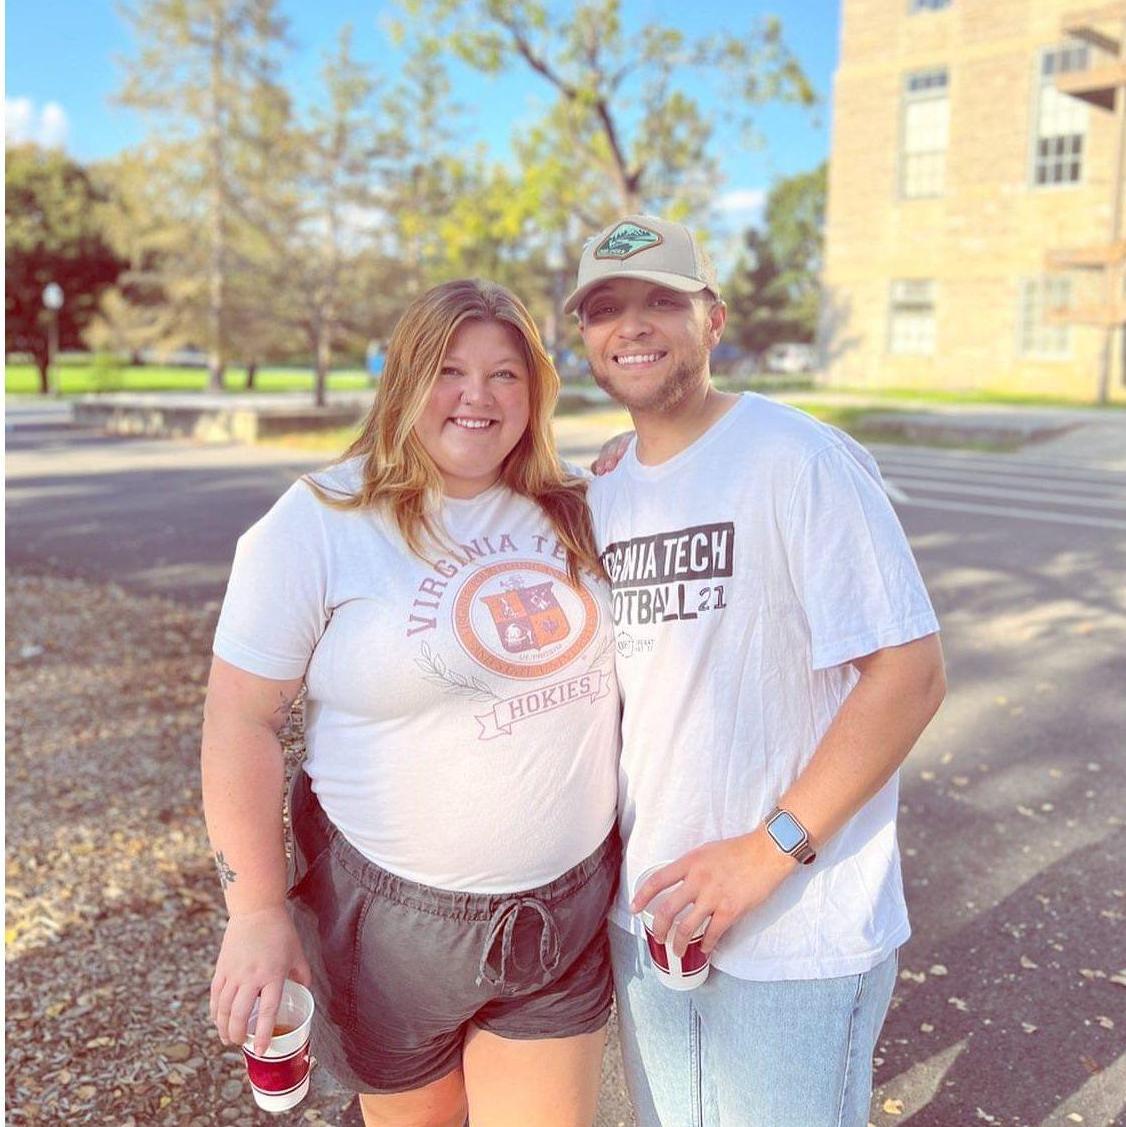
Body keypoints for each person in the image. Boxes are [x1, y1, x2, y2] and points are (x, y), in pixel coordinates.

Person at [202, 279, 621, 1127]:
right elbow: (241, 720)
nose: (477, 396)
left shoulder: (583, 505)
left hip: (563, 913)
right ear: (405, 379)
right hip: (390, 929)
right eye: (449, 370)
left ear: (535, 390)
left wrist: (642, 461)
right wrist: (255, 911)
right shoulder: (319, 519)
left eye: (505, 374)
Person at [566, 215, 946, 1127]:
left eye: (663, 300)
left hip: (794, 928)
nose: (633, 325)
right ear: (583, 335)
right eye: (606, 307)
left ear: (714, 318)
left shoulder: (799, 458)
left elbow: (910, 673)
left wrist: (766, 852)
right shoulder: (602, 490)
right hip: (652, 918)